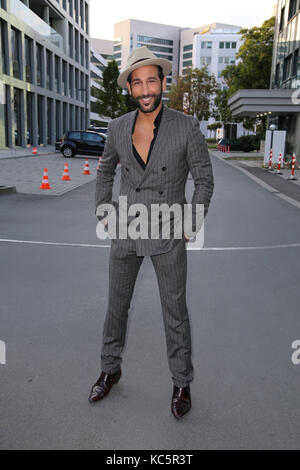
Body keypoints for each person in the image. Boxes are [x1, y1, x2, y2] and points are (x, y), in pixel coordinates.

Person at [89, 46, 214, 419]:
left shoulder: (186, 127)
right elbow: (105, 172)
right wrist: (104, 210)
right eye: (138, 83)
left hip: (168, 231)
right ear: (130, 87)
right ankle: (110, 370)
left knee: (175, 312)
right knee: (116, 308)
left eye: (152, 81)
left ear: (162, 83)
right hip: (127, 230)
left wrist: (192, 220)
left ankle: (181, 382)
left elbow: (204, 180)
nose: (145, 90)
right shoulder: (116, 127)